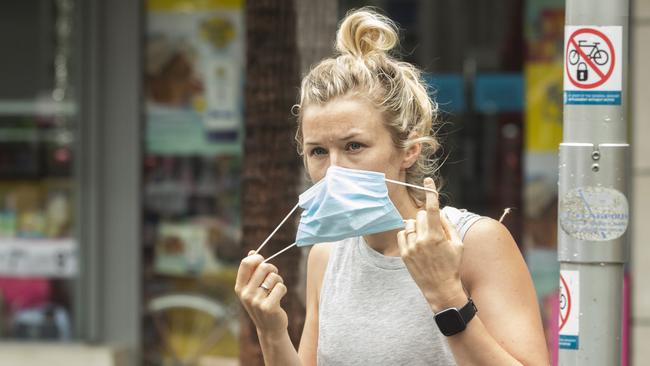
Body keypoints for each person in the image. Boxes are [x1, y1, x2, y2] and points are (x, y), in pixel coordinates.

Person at [235, 8, 549, 365]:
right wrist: (271, 330)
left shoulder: (474, 241)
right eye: (318, 151)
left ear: (409, 150)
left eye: (354, 146)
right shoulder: (326, 256)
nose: (334, 169)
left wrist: (446, 296)